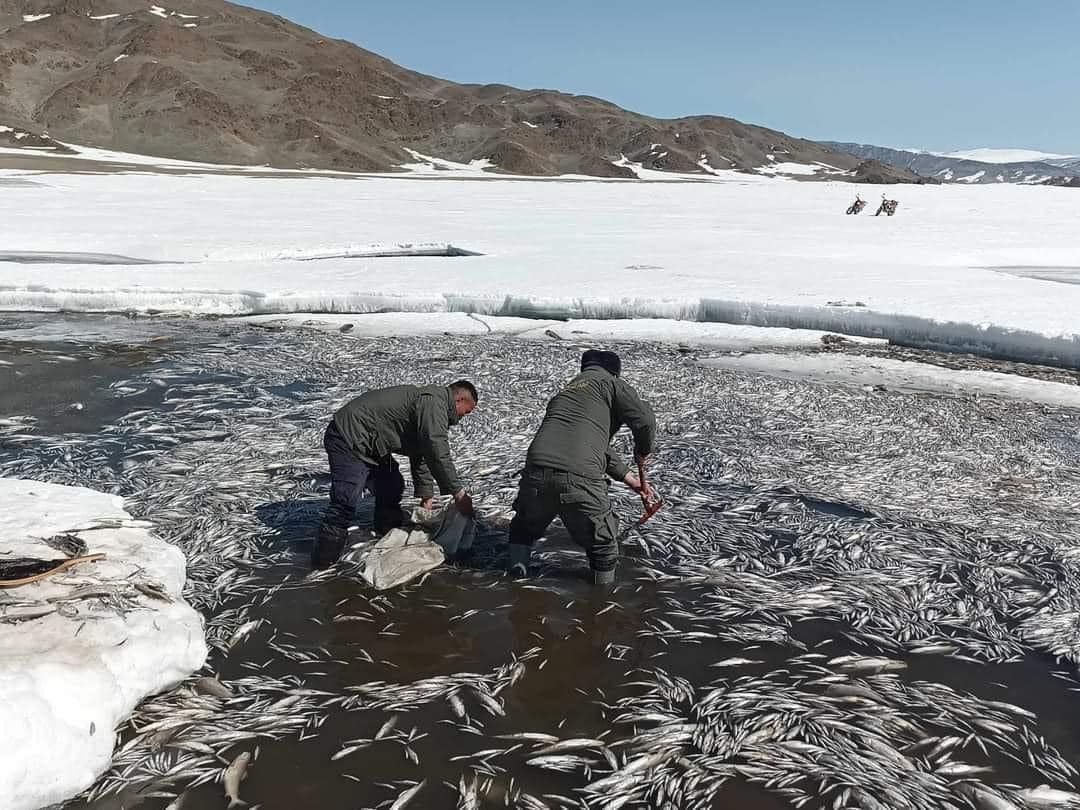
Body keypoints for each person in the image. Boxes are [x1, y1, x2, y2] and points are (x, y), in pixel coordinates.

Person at [508, 350, 656, 584]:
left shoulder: (565, 393)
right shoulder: (611, 383)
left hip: (535, 470)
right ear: (615, 372)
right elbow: (645, 420)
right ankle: (601, 602)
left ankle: (515, 577)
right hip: (579, 475)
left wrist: (631, 480)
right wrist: (644, 449)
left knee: (523, 529)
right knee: (603, 544)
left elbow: (588, 445)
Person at [312, 380, 478, 568]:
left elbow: (422, 453)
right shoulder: (434, 402)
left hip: (371, 445)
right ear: (460, 399)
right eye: (467, 411)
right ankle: (323, 562)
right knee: (345, 500)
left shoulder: (433, 405)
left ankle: (385, 530)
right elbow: (436, 447)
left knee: (392, 483)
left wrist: (426, 496)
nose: (463, 418)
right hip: (348, 437)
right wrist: (458, 493)